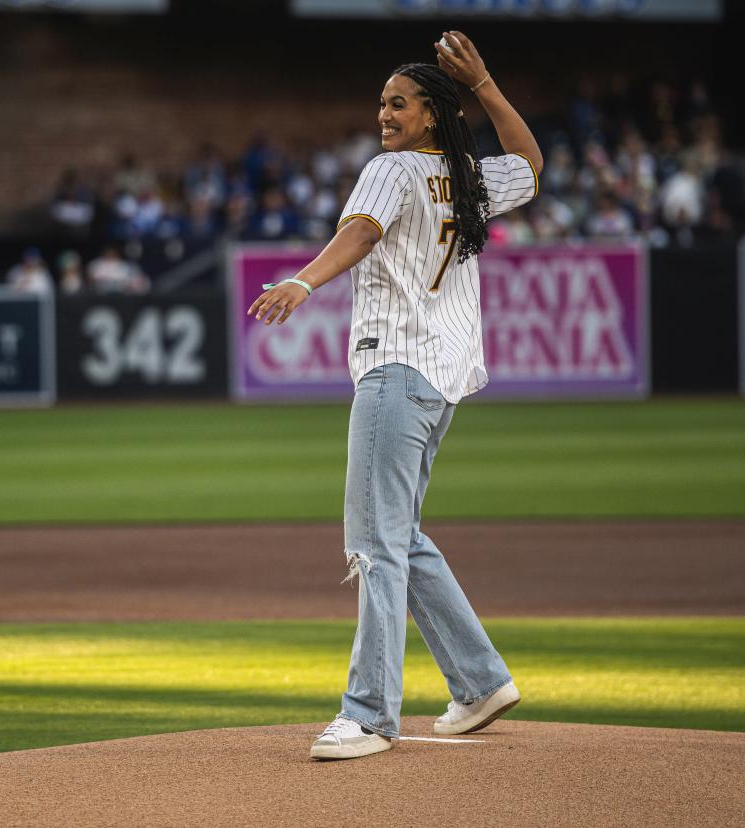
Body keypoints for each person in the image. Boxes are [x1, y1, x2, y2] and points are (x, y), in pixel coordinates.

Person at [248, 31, 541, 761]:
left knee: (374, 546)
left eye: (400, 102)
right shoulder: (465, 175)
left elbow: (361, 230)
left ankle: (370, 712)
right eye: (382, 102)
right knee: (400, 537)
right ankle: (478, 681)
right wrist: (485, 85)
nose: (385, 113)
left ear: (430, 114)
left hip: (395, 368)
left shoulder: (393, 169)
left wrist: (303, 280)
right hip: (442, 377)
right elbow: (532, 166)